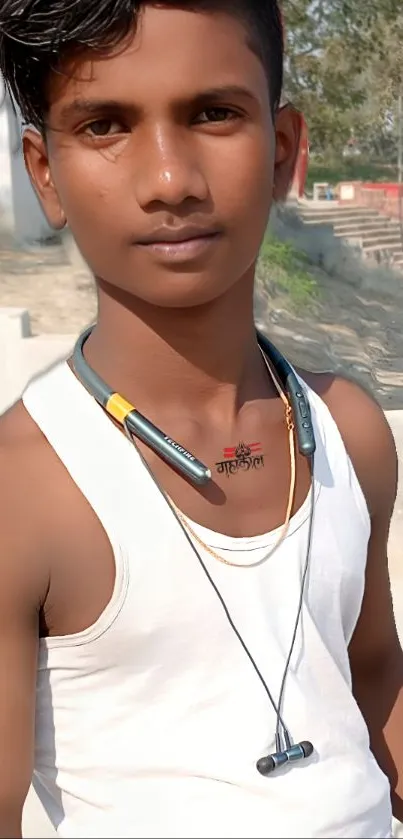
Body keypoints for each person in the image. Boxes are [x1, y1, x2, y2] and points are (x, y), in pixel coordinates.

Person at [0, 2, 402, 837]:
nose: (170, 180)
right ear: (46, 173)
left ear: (284, 150)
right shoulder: (22, 492)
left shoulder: (343, 431)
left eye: (213, 114)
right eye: (106, 123)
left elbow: (373, 676)